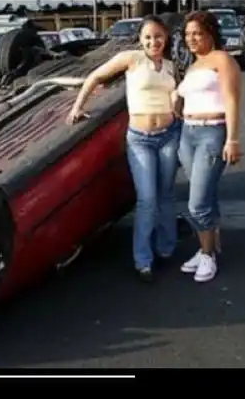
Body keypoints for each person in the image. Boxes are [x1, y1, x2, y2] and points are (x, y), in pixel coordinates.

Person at [67, 15, 181, 282]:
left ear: (166, 38)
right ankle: (143, 260)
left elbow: (175, 99)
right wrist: (77, 107)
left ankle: (166, 247)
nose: (153, 42)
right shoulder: (131, 59)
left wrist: (178, 104)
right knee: (147, 198)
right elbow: (96, 76)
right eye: (148, 37)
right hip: (140, 139)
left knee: (166, 195)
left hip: (169, 135)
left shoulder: (170, 66)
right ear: (140, 39)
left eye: (158, 36)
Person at [173, 10, 243, 282]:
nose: (192, 39)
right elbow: (185, 99)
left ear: (210, 34)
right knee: (206, 195)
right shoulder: (193, 65)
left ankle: (207, 254)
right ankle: (207, 249)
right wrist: (176, 99)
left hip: (212, 133)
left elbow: (231, 100)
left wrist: (232, 139)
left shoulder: (222, 59)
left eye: (198, 33)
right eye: (188, 34)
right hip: (187, 134)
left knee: (197, 204)